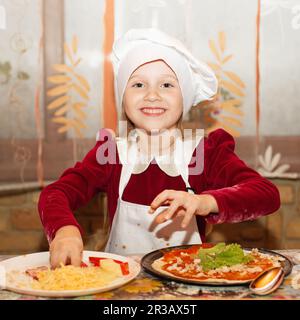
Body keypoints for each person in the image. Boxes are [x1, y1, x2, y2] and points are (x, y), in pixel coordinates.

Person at [38, 28, 280, 268]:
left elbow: (266, 195)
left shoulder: (206, 152)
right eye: (138, 85)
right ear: (122, 98)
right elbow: (56, 194)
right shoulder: (111, 153)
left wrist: (205, 202)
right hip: (123, 282)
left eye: (166, 85)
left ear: (184, 97)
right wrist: (64, 229)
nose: (152, 95)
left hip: (187, 284)